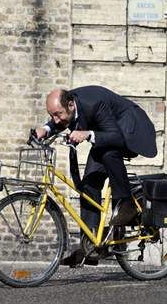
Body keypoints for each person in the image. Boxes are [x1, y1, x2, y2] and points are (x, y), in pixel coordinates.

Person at [35, 86, 157, 265]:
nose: (55, 119)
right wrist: (45, 129)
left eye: (57, 114)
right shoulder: (68, 106)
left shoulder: (94, 104)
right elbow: (60, 119)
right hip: (108, 133)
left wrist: (88, 134)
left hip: (130, 129)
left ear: (70, 105)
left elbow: (116, 136)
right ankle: (90, 247)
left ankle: (127, 204)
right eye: (51, 115)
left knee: (109, 153)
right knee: (89, 184)